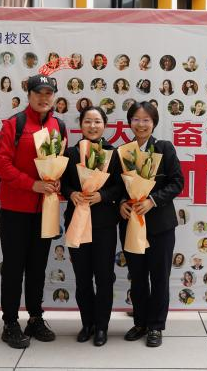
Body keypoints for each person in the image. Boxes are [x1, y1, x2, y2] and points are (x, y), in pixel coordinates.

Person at [0, 74, 64, 349]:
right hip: (15, 209)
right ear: (29, 94)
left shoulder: (58, 126)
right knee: (14, 268)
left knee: (38, 267)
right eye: (38, 92)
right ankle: (10, 323)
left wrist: (56, 182)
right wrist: (32, 184)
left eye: (48, 93)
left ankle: (35, 318)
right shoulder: (15, 124)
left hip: (45, 209)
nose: (44, 98)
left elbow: (58, 164)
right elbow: (1, 165)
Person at [119, 101, 184, 348]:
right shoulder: (123, 151)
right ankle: (140, 322)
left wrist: (153, 200)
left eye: (146, 119)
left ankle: (156, 325)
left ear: (154, 123)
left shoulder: (164, 148)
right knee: (137, 277)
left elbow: (177, 182)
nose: (141, 124)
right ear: (130, 122)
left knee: (159, 277)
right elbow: (115, 186)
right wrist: (121, 203)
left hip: (160, 227)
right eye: (136, 119)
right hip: (131, 224)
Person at [60, 106, 122, 347]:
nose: (92, 126)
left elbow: (121, 186)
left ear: (104, 125)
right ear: (81, 125)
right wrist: (71, 193)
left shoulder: (113, 154)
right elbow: (61, 182)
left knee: (104, 278)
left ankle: (102, 326)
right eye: (88, 121)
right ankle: (87, 323)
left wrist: (102, 196)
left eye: (97, 121)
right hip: (77, 221)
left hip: (104, 224)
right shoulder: (70, 153)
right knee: (83, 278)